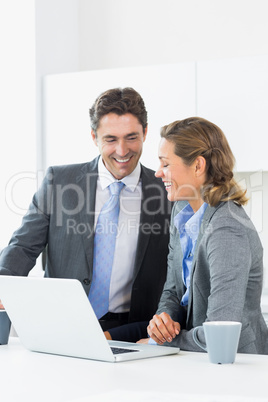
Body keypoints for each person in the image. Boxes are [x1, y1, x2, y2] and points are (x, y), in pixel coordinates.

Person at [0, 87, 172, 331]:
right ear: (94, 137)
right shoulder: (59, 181)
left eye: (131, 137)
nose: (122, 151)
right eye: (111, 139)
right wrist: (4, 283)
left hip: (134, 329)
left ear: (145, 132)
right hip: (63, 322)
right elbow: (24, 246)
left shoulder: (167, 191)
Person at [106, 116, 268, 354]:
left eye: (166, 164)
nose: (159, 173)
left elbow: (220, 333)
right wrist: (163, 322)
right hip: (193, 354)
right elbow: (172, 290)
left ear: (198, 165)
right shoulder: (182, 210)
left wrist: (161, 342)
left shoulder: (226, 230)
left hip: (235, 363)